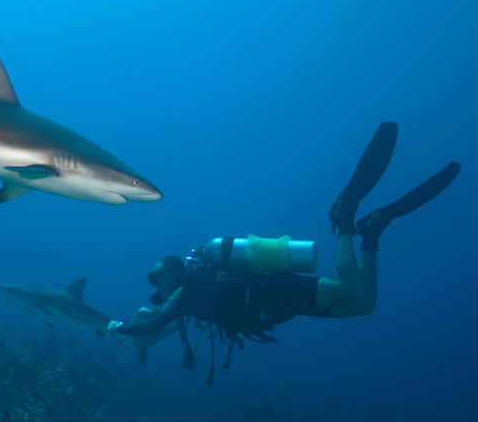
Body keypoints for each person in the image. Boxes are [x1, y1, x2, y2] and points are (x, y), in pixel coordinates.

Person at [107, 122, 460, 376]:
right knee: (365, 305)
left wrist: (113, 325)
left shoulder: (186, 290)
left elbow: (153, 322)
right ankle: (371, 234)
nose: (155, 284)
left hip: (278, 292)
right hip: (276, 307)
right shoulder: (190, 291)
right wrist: (142, 317)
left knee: (353, 290)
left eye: (155, 276)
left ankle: (347, 219)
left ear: (170, 272)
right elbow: (156, 317)